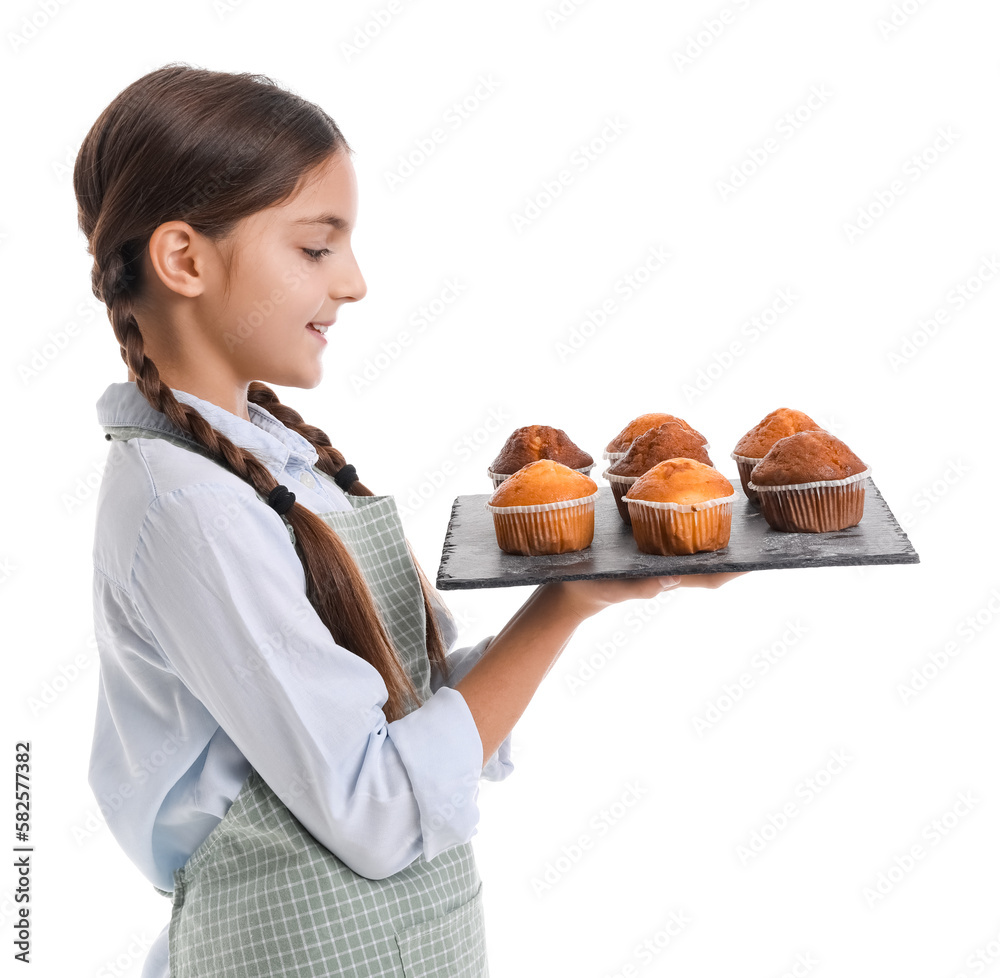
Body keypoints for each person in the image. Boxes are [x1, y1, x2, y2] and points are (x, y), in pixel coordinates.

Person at [76, 62, 743, 978]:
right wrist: (563, 607)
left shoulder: (265, 465)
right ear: (185, 259)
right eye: (316, 248)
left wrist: (578, 596)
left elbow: (414, 724)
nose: (354, 282)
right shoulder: (189, 505)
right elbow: (379, 805)